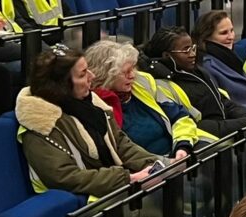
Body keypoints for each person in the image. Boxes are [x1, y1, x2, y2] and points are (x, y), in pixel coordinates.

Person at [17, 45, 160, 198]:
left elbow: (120, 143)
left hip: (114, 189)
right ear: (61, 84)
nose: (92, 76)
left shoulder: (92, 103)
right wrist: (128, 179)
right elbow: (64, 177)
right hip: (86, 203)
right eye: (83, 74)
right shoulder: (41, 123)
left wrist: (154, 164)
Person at [142, 26, 246, 138]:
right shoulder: (162, 85)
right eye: (186, 50)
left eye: (193, 48)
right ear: (167, 55)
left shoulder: (196, 71)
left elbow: (223, 103)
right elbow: (196, 124)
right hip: (208, 144)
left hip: (224, 135)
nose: (192, 54)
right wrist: (245, 122)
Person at [84, 39, 197, 159]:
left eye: (133, 68)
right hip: (148, 165)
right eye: (126, 72)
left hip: (176, 153)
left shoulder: (142, 84)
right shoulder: (97, 106)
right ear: (106, 75)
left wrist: (182, 145)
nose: (132, 75)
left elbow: (180, 116)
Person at [194, 10, 246, 111]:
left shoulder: (230, 57)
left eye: (232, 30)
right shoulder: (207, 66)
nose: (231, 37)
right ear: (206, 37)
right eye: (224, 33)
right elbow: (223, 105)